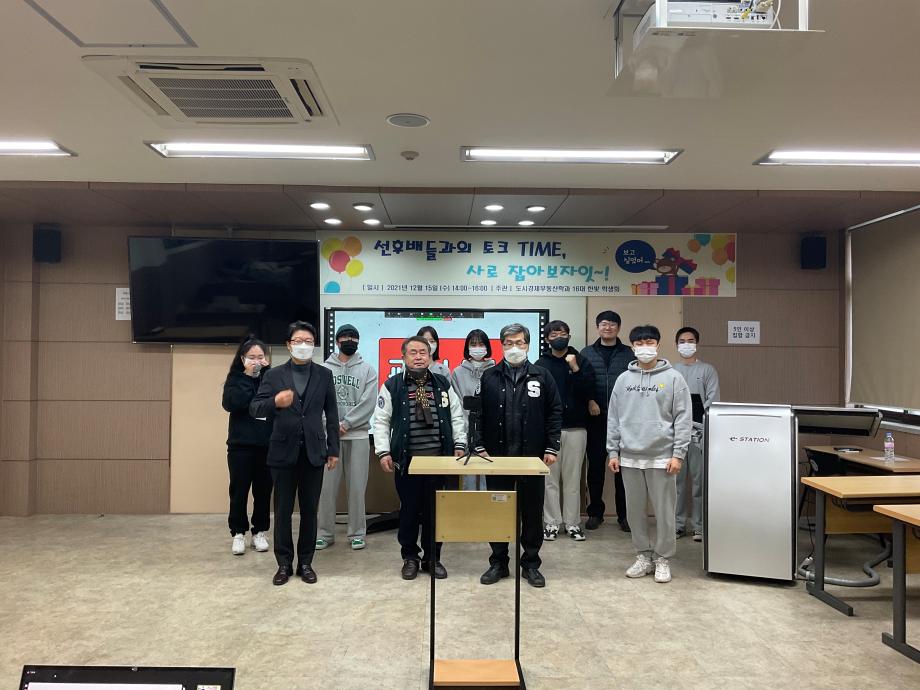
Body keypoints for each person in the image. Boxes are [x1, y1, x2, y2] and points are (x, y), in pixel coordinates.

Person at [250, 321, 339, 586]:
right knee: (283, 510)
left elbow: (332, 414)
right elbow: (255, 408)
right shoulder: (274, 375)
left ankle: (306, 563)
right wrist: (275, 402)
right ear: (288, 345)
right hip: (282, 452)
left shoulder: (324, 375)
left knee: (310, 511)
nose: (304, 346)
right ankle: (283, 564)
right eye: (298, 341)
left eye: (309, 341)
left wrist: (333, 449)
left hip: (314, 451)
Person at [474, 324, 562, 588]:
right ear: (501, 345)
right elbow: (477, 414)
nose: (515, 348)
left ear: (528, 345)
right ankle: (498, 562)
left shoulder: (542, 376)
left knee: (532, 512)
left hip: (532, 459)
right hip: (497, 458)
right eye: (509, 343)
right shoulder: (489, 376)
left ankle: (531, 564)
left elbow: (555, 412)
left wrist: (551, 447)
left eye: (520, 343)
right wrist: (478, 444)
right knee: (498, 510)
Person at [374, 336, 466, 580]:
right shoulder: (392, 385)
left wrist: (460, 443)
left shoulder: (442, 383)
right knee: (409, 512)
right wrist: (383, 451)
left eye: (423, 352)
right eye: (413, 352)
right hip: (408, 463)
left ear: (430, 356)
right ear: (403, 357)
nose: (418, 357)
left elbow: (456, 416)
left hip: (439, 462)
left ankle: (432, 558)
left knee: (435, 513)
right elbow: (381, 421)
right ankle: (410, 558)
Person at [606, 325, 692, 584]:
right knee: (634, 512)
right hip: (629, 456)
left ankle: (663, 558)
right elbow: (614, 418)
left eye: (650, 342)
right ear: (633, 346)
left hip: (662, 457)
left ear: (658, 344)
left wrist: (678, 454)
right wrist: (613, 451)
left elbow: (683, 418)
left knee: (665, 512)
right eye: (640, 343)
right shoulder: (623, 380)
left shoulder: (674, 378)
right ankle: (643, 555)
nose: (645, 347)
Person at [317, 324, 378, 551]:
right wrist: (332, 426)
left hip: (358, 436)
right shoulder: (323, 369)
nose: (349, 340)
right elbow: (317, 401)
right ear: (337, 341)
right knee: (326, 488)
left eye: (353, 337)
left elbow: (368, 402)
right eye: (345, 337)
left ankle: (357, 533)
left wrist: (347, 423)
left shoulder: (368, 370)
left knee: (357, 488)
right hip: (329, 437)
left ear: (358, 341)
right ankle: (324, 533)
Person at [536, 320, 594, 542]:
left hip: (577, 427)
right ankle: (551, 523)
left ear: (569, 336)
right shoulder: (541, 364)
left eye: (562, 333)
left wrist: (575, 369)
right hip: (549, 430)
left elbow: (588, 391)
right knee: (549, 480)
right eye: (553, 334)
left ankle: (572, 523)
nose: (558, 337)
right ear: (547, 339)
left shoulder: (581, 360)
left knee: (573, 479)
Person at [580, 310, 634, 532]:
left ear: (618, 328)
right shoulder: (586, 353)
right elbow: (581, 381)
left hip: (624, 421)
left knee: (623, 470)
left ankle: (625, 516)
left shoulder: (629, 353)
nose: (608, 327)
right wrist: (590, 400)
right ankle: (595, 513)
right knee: (595, 469)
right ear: (597, 327)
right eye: (604, 324)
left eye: (612, 324)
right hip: (596, 419)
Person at [221, 335, 273, 556]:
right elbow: (231, 404)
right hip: (240, 446)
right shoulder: (235, 378)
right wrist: (247, 376)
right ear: (242, 359)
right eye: (252, 357)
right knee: (239, 491)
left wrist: (263, 376)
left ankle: (260, 531)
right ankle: (238, 533)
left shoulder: (271, 378)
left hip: (266, 445)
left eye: (260, 357)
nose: (256, 361)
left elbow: (274, 405)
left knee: (263, 491)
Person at [672, 326, 720, 542]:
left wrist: (696, 423)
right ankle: (678, 524)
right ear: (676, 345)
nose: (686, 344)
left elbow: (713, 400)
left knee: (699, 482)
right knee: (677, 483)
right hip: (675, 435)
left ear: (697, 344)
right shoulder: (671, 371)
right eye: (682, 341)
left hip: (699, 434)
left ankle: (699, 526)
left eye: (690, 341)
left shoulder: (707, 370)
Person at [450, 328, 496, 491]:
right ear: (467, 347)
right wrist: (465, 431)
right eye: (473, 344)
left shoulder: (495, 371)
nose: (477, 348)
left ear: (487, 347)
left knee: (490, 475)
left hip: (489, 433)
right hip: (466, 432)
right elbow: (456, 405)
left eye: (481, 344)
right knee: (468, 477)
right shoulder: (458, 372)